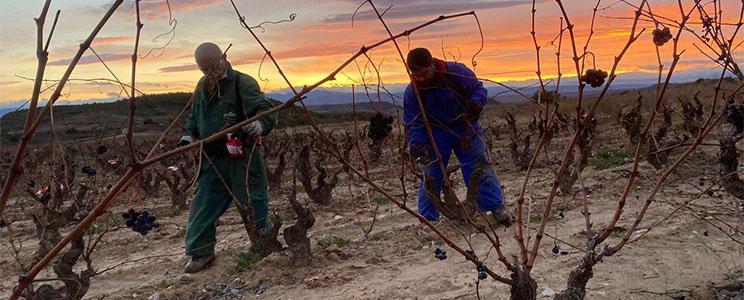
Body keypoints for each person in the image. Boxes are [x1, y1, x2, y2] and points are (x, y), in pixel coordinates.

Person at [178, 42, 278, 273]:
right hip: (211, 160)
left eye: (213, 66)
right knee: (203, 205)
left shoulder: (243, 83)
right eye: (205, 70)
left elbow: (266, 109)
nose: (210, 72)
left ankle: (265, 245)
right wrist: (189, 136)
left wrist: (259, 123)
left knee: (253, 203)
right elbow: (194, 116)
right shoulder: (202, 86)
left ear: (224, 57)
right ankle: (201, 253)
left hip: (241, 158)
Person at [403, 47, 511, 226]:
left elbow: (478, 90)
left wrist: (475, 105)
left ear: (432, 64)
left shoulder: (456, 72)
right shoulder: (412, 92)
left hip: (465, 127)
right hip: (435, 133)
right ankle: (428, 219)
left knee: (479, 166)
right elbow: (414, 123)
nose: (420, 78)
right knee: (430, 174)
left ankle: (495, 208)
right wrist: (417, 146)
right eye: (416, 75)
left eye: (423, 73)